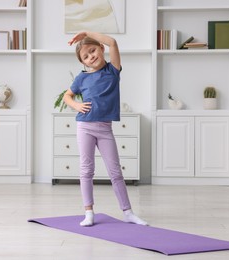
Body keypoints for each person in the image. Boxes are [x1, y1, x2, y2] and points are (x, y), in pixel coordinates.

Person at [63, 31, 148, 227]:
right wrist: (76, 105)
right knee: (86, 170)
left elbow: (113, 42)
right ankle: (89, 212)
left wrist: (86, 34)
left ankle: (128, 212)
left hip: (105, 129)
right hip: (84, 126)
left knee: (115, 172)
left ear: (101, 49)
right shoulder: (81, 78)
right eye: (86, 56)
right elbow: (68, 96)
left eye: (92, 50)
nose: (91, 56)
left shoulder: (113, 70)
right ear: (83, 63)